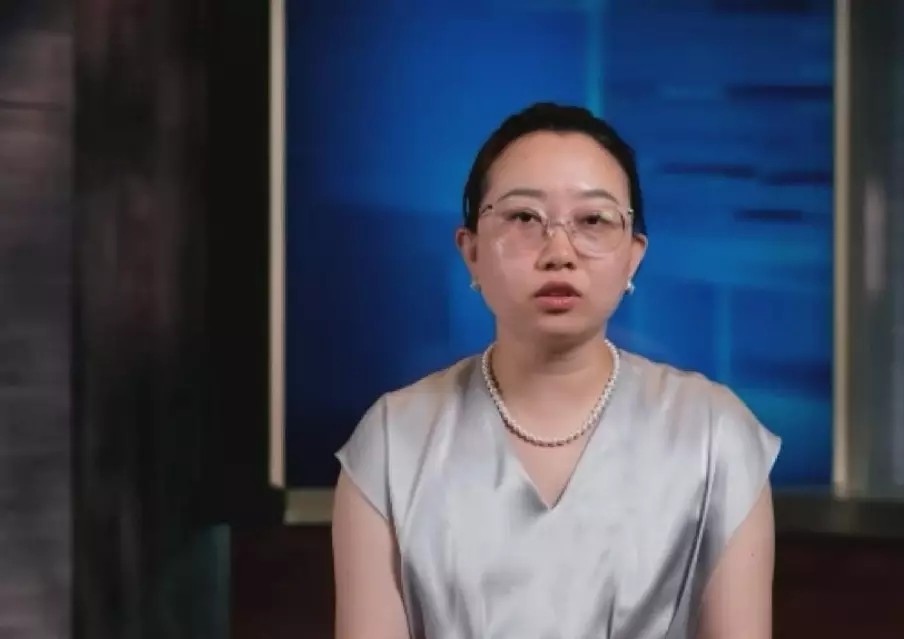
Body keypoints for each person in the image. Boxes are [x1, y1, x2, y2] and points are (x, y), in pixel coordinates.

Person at [331, 102, 781, 639]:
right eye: (524, 218)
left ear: (634, 255)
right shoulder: (392, 442)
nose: (559, 252)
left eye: (593, 221)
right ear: (471, 251)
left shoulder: (715, 436)